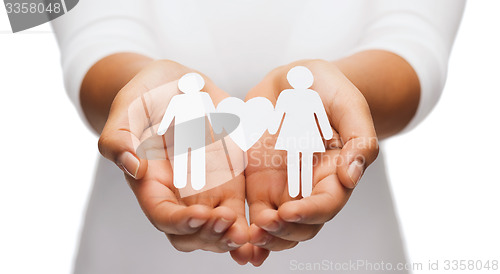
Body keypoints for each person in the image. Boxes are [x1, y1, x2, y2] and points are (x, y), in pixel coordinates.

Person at [51, 0, 465, 273]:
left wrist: (337, 106)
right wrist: (145, 105)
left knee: (298, 165)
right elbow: (89, 41)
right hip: (133, 252)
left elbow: (416, 44)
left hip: (349, 253)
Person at [269, 66, 334, 198]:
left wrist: (273, 127)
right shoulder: (307, 95)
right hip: (303, 131)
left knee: (300, 160)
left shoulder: (290, 95)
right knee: (303, 160)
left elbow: (279, 113)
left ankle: (302, 190)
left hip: (297, 130)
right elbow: (279, 112)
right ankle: (298, 190)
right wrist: (326, 132)